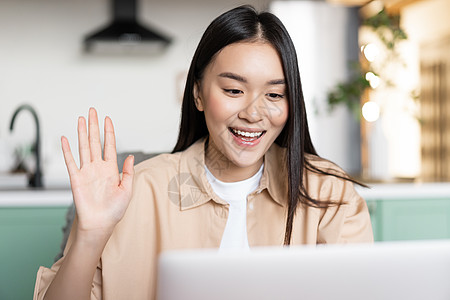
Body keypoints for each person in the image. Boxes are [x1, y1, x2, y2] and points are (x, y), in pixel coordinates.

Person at [34, 5, 373, 300]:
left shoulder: (328, 193)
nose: (253, 114)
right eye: (233, 90)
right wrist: (90, 237)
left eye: (274, 95)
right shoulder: (135, 193)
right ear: (198, 93)